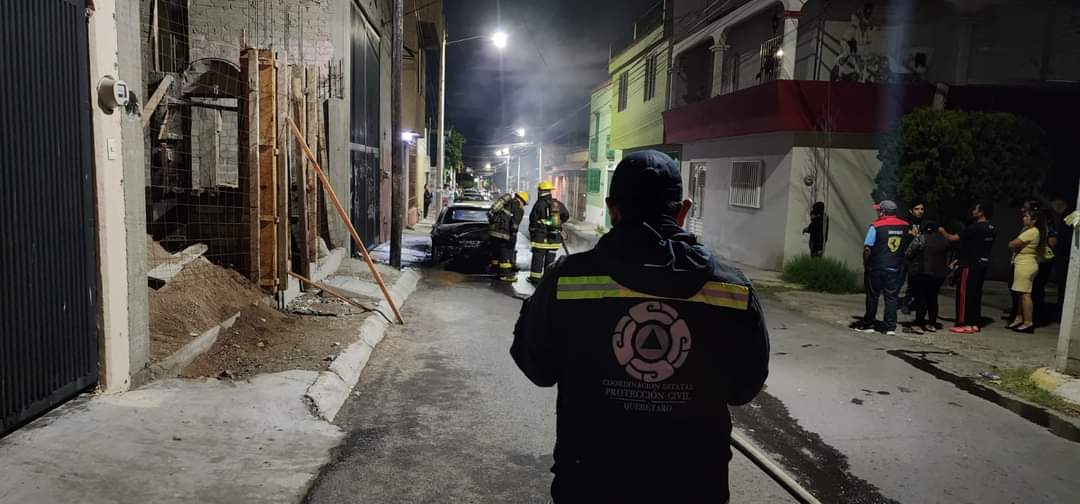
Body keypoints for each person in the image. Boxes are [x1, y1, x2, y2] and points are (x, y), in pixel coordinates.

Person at [511, 150, 769, 504]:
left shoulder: (565, 281)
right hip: (694, 483)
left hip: (592, 480)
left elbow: (537, 367)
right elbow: (743, 389)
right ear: (683, 210)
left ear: (612, 208)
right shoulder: (734, 288)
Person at [852, 200, 909, 336]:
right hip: (895, 267)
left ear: (883, 212)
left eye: (879, 210)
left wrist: (866, 264)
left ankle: (869, 324)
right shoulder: (905, 226)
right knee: (891, 297)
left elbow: (867, 248)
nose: (878, 212)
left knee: (873, 296)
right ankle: (890, 327)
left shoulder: (876, 226)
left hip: (877, 267)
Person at [940, 202, 996, 334]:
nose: (973, 212)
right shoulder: (992, 228)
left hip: (969, 265)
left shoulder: (974, 228)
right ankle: (974, 323)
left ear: (981, 212)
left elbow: (953, 238)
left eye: (975, 210)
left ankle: (964, 322)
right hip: (982, 264)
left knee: (964, 294)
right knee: (976, 294)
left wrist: (942, 231)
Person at [904, 220, 949, 334]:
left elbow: (909, 252)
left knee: (921, 299)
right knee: (933, 299)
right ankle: (932, 324)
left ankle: (918, 324)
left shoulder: (921, 238)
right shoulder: (943, 240)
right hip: (939, 274)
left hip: (922, 272)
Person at [1006, 209, 1047, 333]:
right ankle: (1019, 317)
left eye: (1026, 217)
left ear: (1034, 220)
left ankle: (1028, 322)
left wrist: (1013, 243)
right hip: (1024, 263)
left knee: (1025, 294)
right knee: (1020, 293)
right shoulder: (1031, 231)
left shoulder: (1032, 232)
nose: (1024, 218)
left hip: (1025, 264)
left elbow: (1013, 244)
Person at [528, 181, 570, 284]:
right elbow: (566, 215)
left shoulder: (539, 204)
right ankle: (547, 279)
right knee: (550, 259)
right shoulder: (558, 204)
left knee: (538, 258)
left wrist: (533, 231)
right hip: (554, 238)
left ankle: (535, 278)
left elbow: (533, 219)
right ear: (550, 191)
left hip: (541, 239)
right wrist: (558, 223)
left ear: (540, 191)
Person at [488, 191, 528, 282]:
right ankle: (505, 275)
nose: (523, 205)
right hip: (504, 233)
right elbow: (514, 225)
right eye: (524, 203)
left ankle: (495, 271)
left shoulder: (506, 203)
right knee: (505, 255)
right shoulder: (519, 208)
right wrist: (513, 236)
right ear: (522, 201)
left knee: (496, 253)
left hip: (493, 232)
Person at [900, 201, 926, 314]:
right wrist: (908, 234)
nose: (920, 211)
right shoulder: (905, 224)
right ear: (911, 211)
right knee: (899, 280)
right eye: (917, 209)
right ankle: (892, 302)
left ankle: (908, 303)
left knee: (914, 282)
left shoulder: (925, 224)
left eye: (922, 209)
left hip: (918, 258)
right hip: (905, 256)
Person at [1051, 198, 1074, 320]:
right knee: (1061, 285)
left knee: (1063, 285)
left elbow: (1064, 238)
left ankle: (1061, 311)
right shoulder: (1066, 216)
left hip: (1064, 256)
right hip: (1063, 255)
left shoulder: (1067, 217)